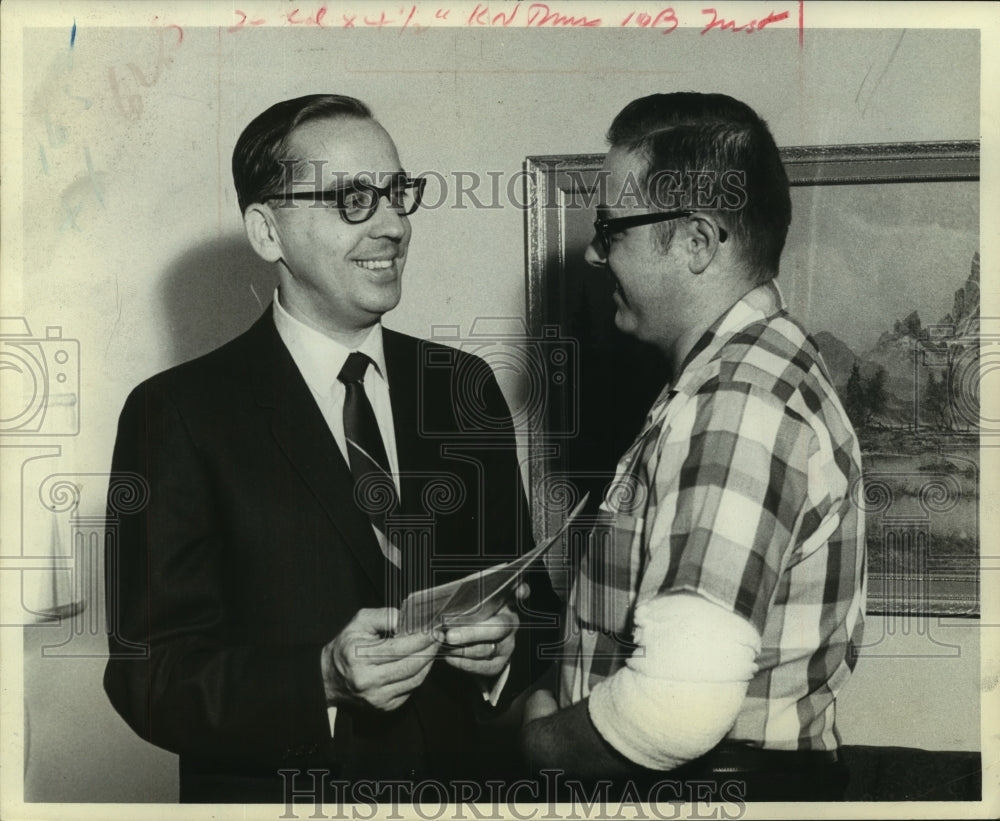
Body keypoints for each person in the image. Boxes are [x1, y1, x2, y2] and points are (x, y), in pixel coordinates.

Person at [104, 94, 556, 803]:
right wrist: (319, 676)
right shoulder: (178, 413)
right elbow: (147, 675)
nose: (394, 225)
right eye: (353, 199)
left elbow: (537, 610)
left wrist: (507, 649)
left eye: (397, 193)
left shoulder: (462, 388)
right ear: (267, 231)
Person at [521, 93, 866, 802]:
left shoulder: (733, 405)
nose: (593, 250)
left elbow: (675, 710)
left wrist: (538, 742)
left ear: (698, 241)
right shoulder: (752, 371)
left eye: (611, 228)